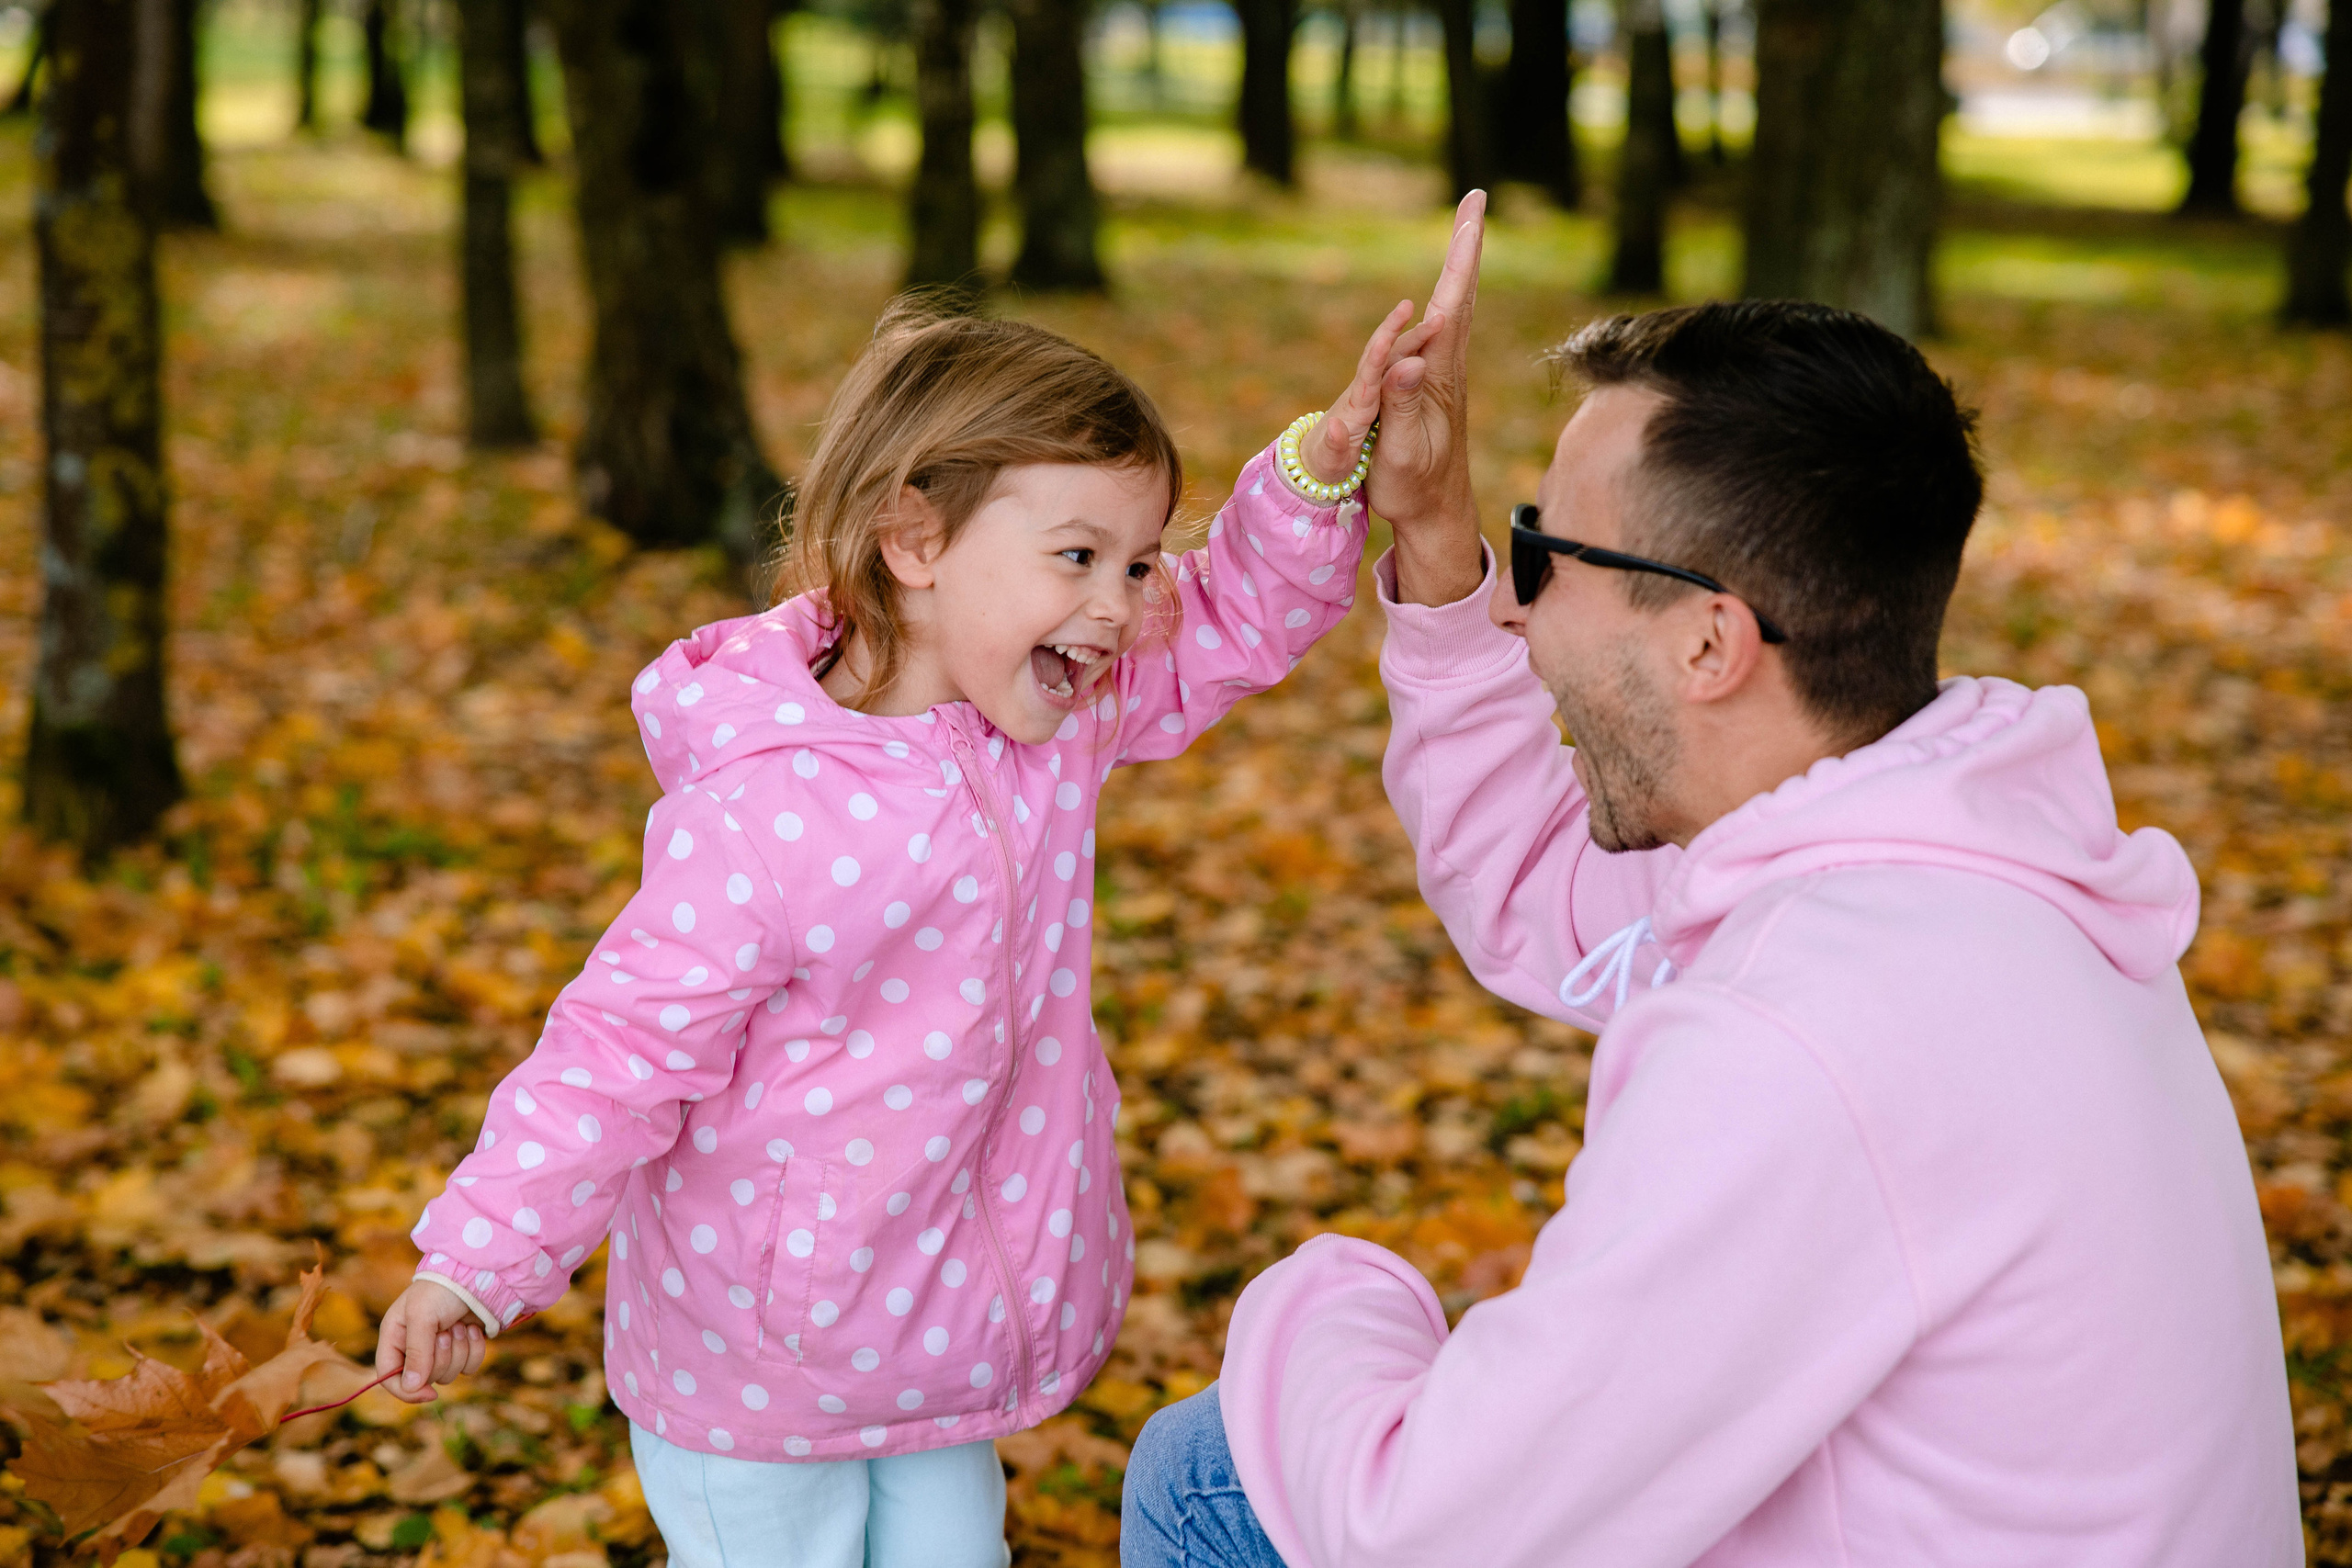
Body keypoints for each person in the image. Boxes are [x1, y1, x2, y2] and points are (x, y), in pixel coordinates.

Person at [1122, 299, 2301, 1566]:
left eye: (1543, 556)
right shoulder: (1969, 870)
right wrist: (1438, 540)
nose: (1518, 614)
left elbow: (1419, 1535)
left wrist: (1332, 1294)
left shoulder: (1801, 1034)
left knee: (1209, 1476)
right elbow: (1549, 894)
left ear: (1707, 643)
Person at [366, 247, 1476, 1568]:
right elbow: (616, 1053)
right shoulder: (763, 815)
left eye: (1136, 564)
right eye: (1078, 556)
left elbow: (1230, 620)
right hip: (761, 1365)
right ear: (915, 543)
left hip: (938, 1325)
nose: (1120, 607)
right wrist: (477, 1261)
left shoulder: (1052, 721)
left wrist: (1319, 468)